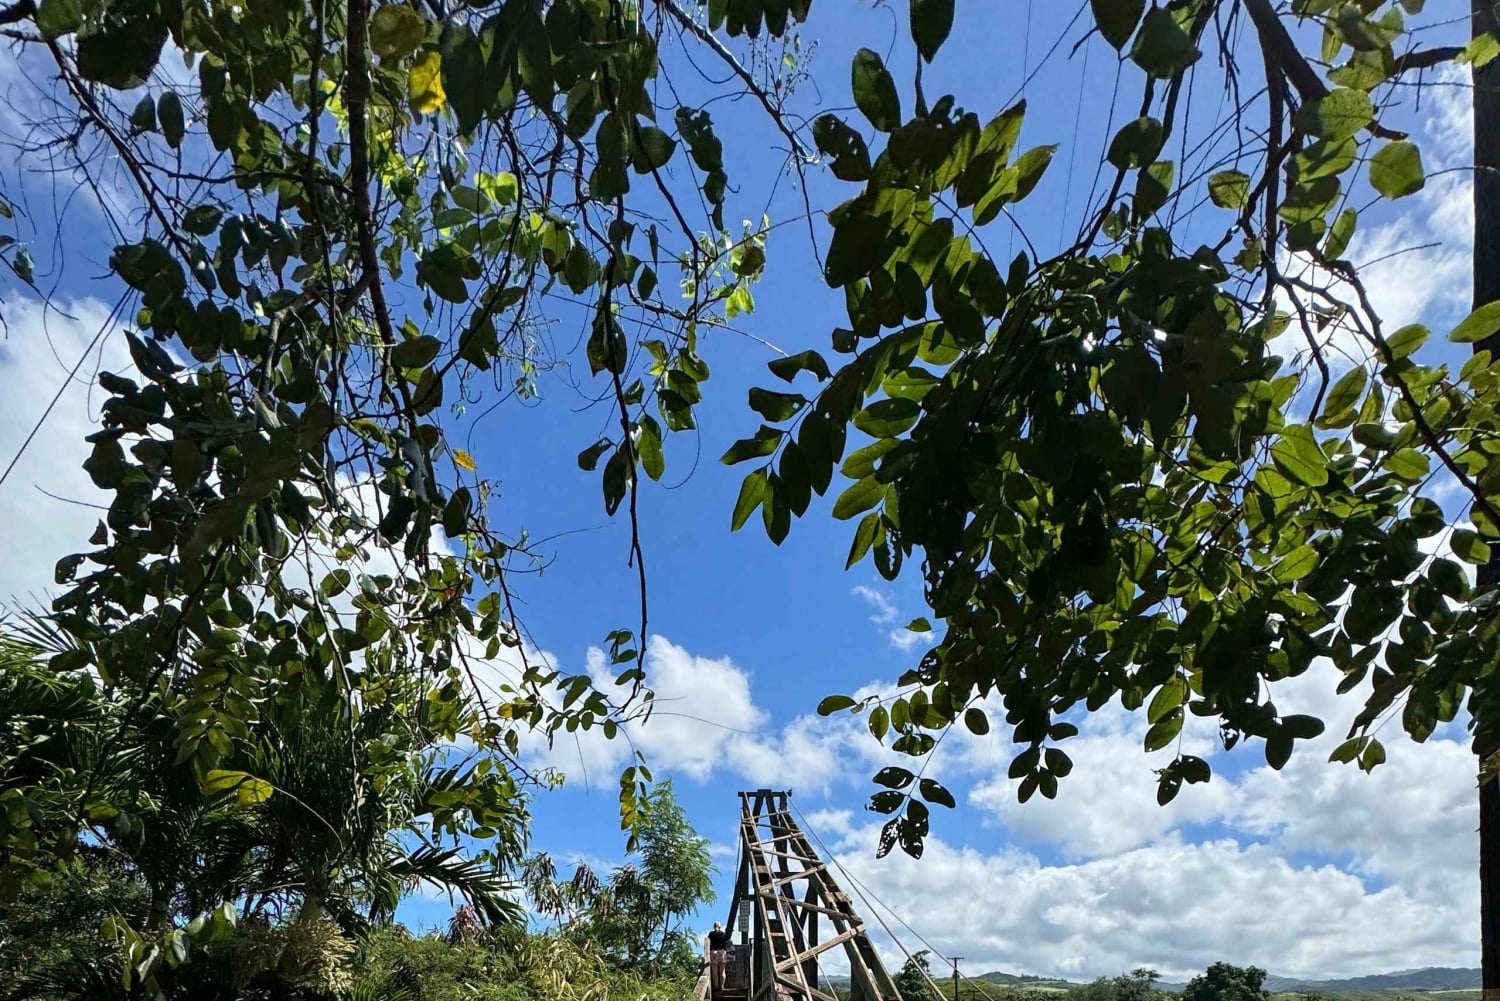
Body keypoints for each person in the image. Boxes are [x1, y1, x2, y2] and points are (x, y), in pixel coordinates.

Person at [707, 921, 731, 992]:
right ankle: (722, 986)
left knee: (715, 972)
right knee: (722, 971)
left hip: (713, 952)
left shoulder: (711, 934)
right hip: (722, 953)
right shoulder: (723, 935)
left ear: (713, 927)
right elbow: (728, 943)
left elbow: (708, 942)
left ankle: (716, 986)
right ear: (720, 927)